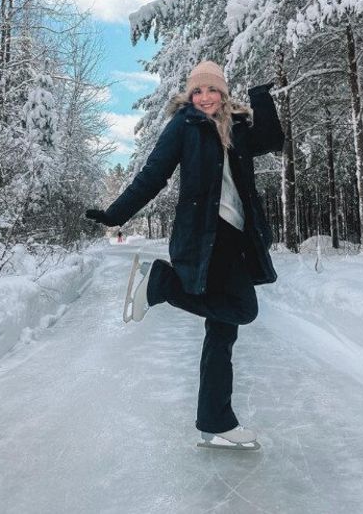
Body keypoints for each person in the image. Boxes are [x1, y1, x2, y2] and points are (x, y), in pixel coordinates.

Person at [85, 60, 283, 450]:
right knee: (242, 310)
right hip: (205, 237)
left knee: (223, 329)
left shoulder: (238, 127)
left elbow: (274, 140)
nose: (205, 97)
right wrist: (115, 215)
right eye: (197, 91)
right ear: (189, 96)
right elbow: (153, 174)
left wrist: (262, 96)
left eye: (211, 90)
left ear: (223, 93)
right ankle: (162, 283)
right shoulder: (184, 126)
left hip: (238, 237)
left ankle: (216, 421)